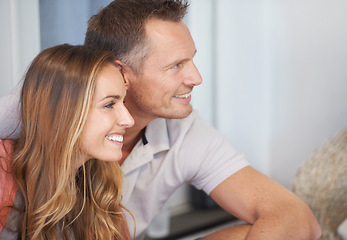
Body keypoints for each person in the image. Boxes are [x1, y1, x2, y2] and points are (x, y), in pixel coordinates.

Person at [0, 1, 321, 240]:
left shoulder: (178, 132)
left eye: (192, 59)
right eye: (176, 65)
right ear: (121, 72)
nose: (196, 77)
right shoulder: (33, 110)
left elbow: (298, 219)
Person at [0, 44, 134, 239]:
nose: (129, 120)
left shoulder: (100, 182)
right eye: (109, 104)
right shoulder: (4, 168)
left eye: (123, 102)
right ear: (62, 112)